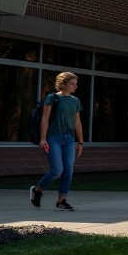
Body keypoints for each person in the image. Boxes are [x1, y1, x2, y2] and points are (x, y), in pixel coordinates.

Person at [31, 72, 85, 211]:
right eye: (72, 83)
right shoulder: (52, 98)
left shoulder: (75, 101)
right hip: (53, 138)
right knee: (57, 171)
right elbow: (45, 119)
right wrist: (43, 139)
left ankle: (61, 201)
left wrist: (80, 142)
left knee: (68, 171)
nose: (75, 86)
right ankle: (37, 190)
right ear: (64, 83)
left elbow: (77, 123)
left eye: (76, 83)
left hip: (69, 139)